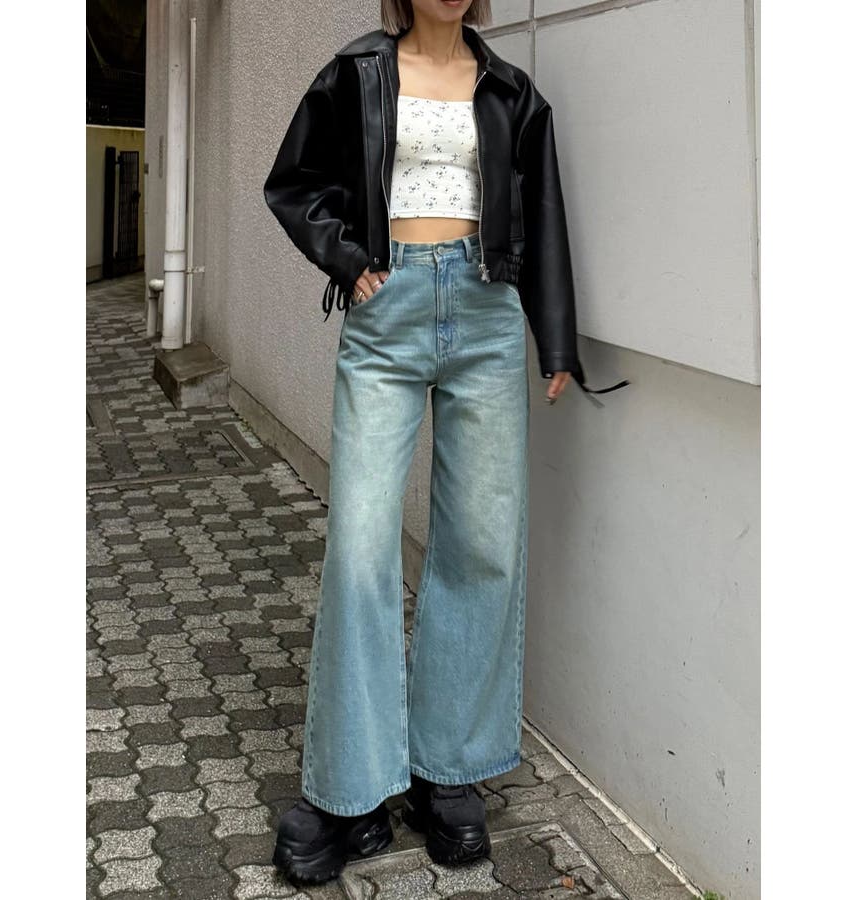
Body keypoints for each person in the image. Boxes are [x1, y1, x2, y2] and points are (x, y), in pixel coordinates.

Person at [262, 0, 628, 886]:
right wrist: (347, 259)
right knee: (360, 547)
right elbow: (294, 184)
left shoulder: (511, 91)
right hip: (386, 311)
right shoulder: (357, 72)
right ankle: (348, 789)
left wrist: (555, 340)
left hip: (487, 313)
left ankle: (448, 771)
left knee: (480, 544)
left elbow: (542, 211)